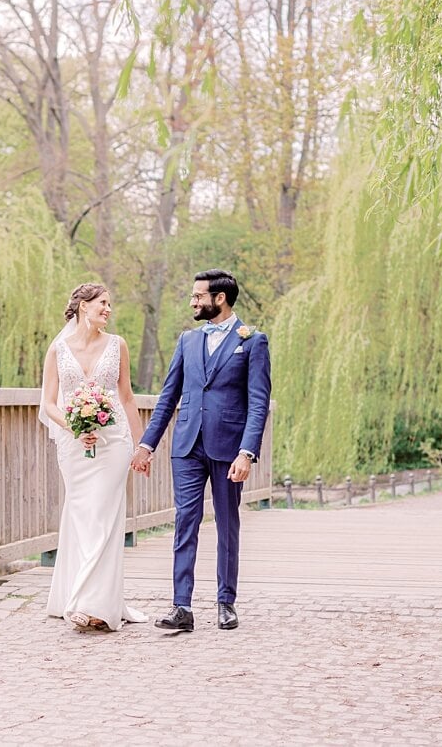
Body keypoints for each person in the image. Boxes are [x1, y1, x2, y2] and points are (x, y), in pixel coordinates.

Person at [130, 269, 271, 632]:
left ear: (219, 299)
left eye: (198, 296)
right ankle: (182, 607)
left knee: (227, 525)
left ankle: (226, 602)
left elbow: (258, 402)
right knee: (185, 523)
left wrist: (247, 452)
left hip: (228, 448)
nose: (193, 301)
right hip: (186, 446)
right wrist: (147, 444)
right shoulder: (187, 341)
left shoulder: (252, 341)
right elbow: (168, 397)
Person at [39, 283, 149, 631]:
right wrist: (73, 427)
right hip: (73, 446)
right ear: (83, 306)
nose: (108, 309)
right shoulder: (58, 350)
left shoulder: (118, 345)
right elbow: (47, 403)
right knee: (81, 515)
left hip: (114, 442)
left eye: (109, 304)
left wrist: (141, 445)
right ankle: (77, 593)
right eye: (103, 303)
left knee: (104, 516)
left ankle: (93, 605)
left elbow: (127, 397)